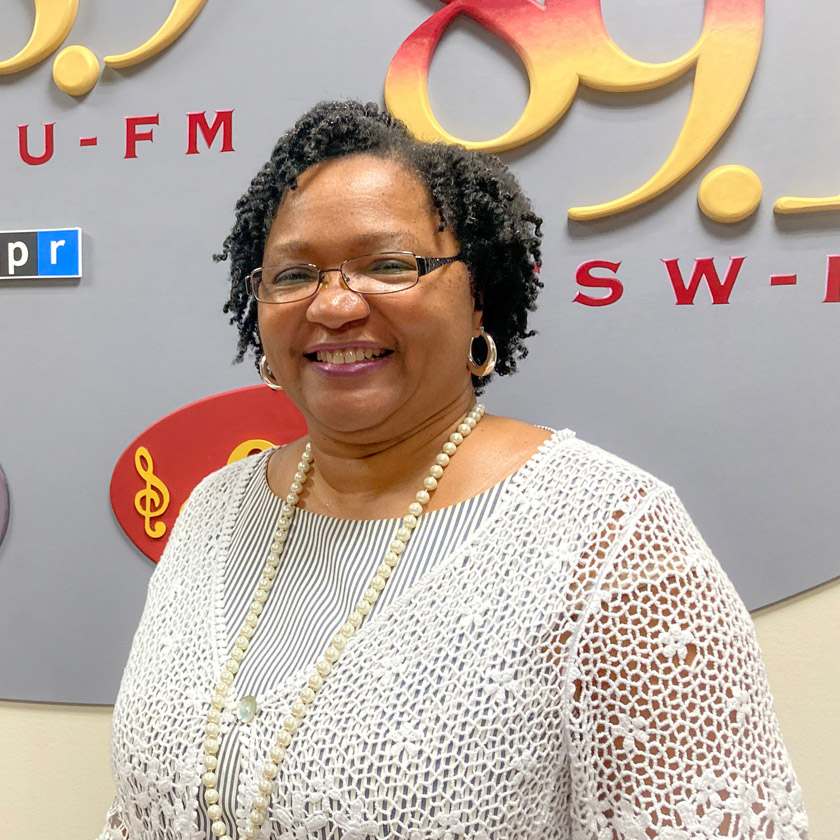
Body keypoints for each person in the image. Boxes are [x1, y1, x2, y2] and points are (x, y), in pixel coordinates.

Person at [100, 101, 808, 840]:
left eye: (388, 265)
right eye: (295, 274)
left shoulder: (616, 546)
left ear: (479, 302)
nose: (333, 305)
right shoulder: (216, 512)